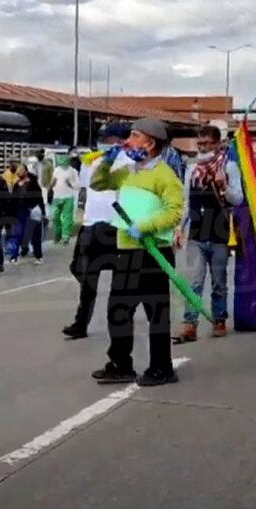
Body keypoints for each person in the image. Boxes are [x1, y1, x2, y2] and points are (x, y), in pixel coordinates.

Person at [90, 117, 184, 387]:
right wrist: (107, 161)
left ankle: (162, 368)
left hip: (154, 252)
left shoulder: (165, 175)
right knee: (118, 311)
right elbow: (99, 183)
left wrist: (144, 226)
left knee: (157, 314)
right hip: (126, 251)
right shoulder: (130, 171)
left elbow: (174, 211)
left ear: (150, 143)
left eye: (134, 136)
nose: (126, 141)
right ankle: (120, 364)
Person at [173, 125, 243, 343]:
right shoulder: (192, 169)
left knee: (218, 282)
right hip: (196, 233)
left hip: (219, 232)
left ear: (217, 143)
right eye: (200, 143)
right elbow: (186, 201)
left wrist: (224, 187)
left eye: (208, 144)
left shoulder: (229, 167)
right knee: (193, 282)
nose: (203, 148)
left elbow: (238, 199)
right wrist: (179, 227)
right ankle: (190, 323)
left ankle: (219, 319)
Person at [62, 124, 130, 340]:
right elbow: (85, 189)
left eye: (109, 138)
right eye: (103, 138)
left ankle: (117, 322)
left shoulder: (129, 162)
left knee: (119, 282)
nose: (105, 142)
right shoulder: (91, 161)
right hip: (90, 224)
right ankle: (81, 323)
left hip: (114, 225)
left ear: (121, 140)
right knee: (81, 273)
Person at [16, 171, 46, 265]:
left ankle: (39, 256)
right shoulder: (18, 184)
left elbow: (39, 198)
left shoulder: (33, 185)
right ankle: (24, 250)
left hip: (34, 210)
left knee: (35, 235)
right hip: (22, 212)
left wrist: (43, 212)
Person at [49, 154, 79, 245]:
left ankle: (65, 236)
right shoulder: (57, 170)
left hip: (68, 197)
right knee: (55, 217)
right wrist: (49, 189)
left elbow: (77, 185)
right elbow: (53, 181)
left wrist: (70, 183)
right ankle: (57, 234)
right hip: (57, 197)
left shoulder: (73, 171)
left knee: (67, 218)